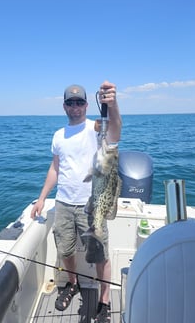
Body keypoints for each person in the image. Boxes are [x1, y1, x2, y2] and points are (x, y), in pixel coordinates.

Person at [31, 80, 122, 323]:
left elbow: (116, 131)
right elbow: (55, 168)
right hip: (62, 203)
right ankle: (72, 284)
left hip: (91, 204)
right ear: (64, 106)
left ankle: (104, 300)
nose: (75, 106)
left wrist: (112, 104)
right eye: (70, 102)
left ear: (86, 104)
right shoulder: (58, 135)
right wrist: (41, 199)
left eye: (80, 102)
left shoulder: (96, 127)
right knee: (66, 250)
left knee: (100, 253)